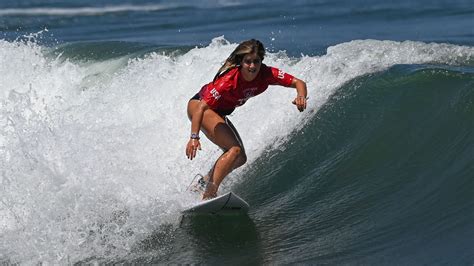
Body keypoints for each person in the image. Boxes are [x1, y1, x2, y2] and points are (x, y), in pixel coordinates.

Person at [186, 39, 307, 200]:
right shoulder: (228, 81)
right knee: (234, 149)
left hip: (218, 112)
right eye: (247, 62)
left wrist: (301, 96)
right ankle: (209, 194)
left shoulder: (266, 74)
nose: (252, 66)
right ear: (241, 62)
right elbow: (201, 107)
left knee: (240, 158)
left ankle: (202, 183)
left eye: (256, 61)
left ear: (261, 61)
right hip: (199, 108)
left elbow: (298, 82)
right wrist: (194, 137)